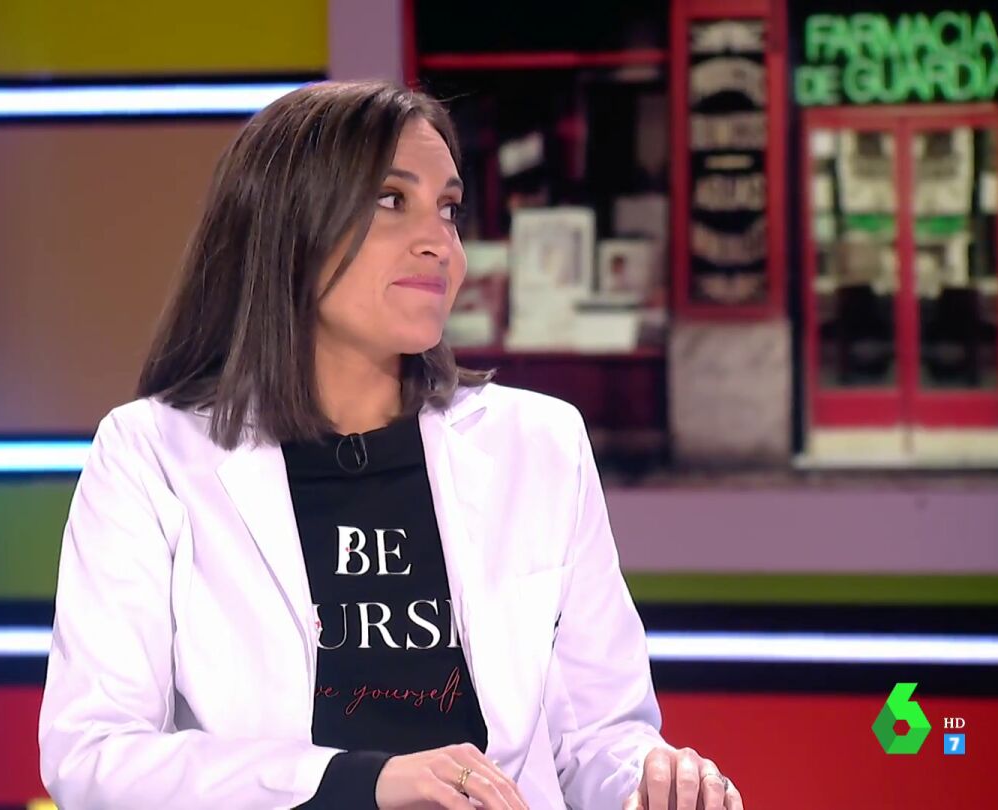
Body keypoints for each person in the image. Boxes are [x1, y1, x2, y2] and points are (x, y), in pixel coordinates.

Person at [37, 80, 743, 810]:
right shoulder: (151, 457)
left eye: (449, 208)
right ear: (287, 226)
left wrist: (652, 781)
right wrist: (363, 782)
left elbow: (598, 736)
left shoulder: (540, 446)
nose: (440, 242)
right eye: (391, 200)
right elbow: (94, 755)